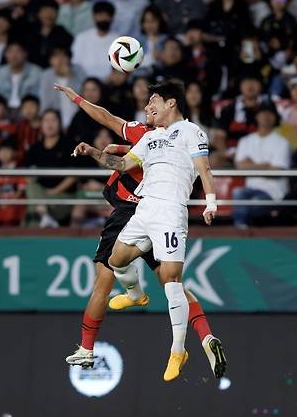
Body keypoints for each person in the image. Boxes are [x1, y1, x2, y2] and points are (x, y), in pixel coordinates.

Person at [56, 82, 225, 380]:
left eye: (153, 101)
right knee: (129, 266)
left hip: (153, 211)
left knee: (138, 280)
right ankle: (198, 332)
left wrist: (211, 202)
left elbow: (204, 168)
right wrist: (98, 150)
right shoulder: (149, 136)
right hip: (142, 212)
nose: (147, 107)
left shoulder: (185, 131)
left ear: (170, 103)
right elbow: (122, 160)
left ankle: (168, 348)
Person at [233, 103, 290, 228]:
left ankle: (241, 230)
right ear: (256, 117)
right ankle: (241, 229)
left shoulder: (282, 142)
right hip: (250, 189)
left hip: (273, 192)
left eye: (269, 113)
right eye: (262, 113)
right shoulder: (245, 141)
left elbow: (276, 171)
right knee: (238, 193)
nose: (265, 116)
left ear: (275, 118)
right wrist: (265, 165)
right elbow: (240, 167)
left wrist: (251, 165)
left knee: (252, 204)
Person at [24, 109, 76, 227]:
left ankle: (42, 213)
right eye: (46, 120)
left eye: (53, 120)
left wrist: (54, 192)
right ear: (41, 124)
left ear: (60, 123)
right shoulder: (34, 148)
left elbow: (74, 176)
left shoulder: (69, 145)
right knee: (31, 187)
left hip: (62, 196)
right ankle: (43, 214)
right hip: (40, 194)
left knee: (33, 208)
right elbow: (27, 175)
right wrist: (43, 196)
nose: (50, 124)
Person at [71, 1, 120, 81]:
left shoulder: (119, 39)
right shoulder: (81, 38)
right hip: (83, 83)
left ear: (112, 18)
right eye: (100, 15)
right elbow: (74, 64)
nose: (103, 19)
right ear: (94, 17)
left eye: (107, 15)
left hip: (110, 84)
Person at [39, 47, 86, 129]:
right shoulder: (46, 75)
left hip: (78, 120)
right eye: (56, 56)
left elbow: (84, 96)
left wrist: (69, 76)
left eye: (64, 56)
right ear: (50, 61)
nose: (60, 60)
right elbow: (45, 103)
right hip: (55, 122)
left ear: (69, 59)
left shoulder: (78, 71)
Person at [0, 40, 41, 109]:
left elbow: (40, 97)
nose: (14, 56)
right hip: (4, 111)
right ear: (5, 54)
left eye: (18, 51)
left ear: (25, 54)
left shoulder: (37, 73)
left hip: (26, 111)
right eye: (10, 52)